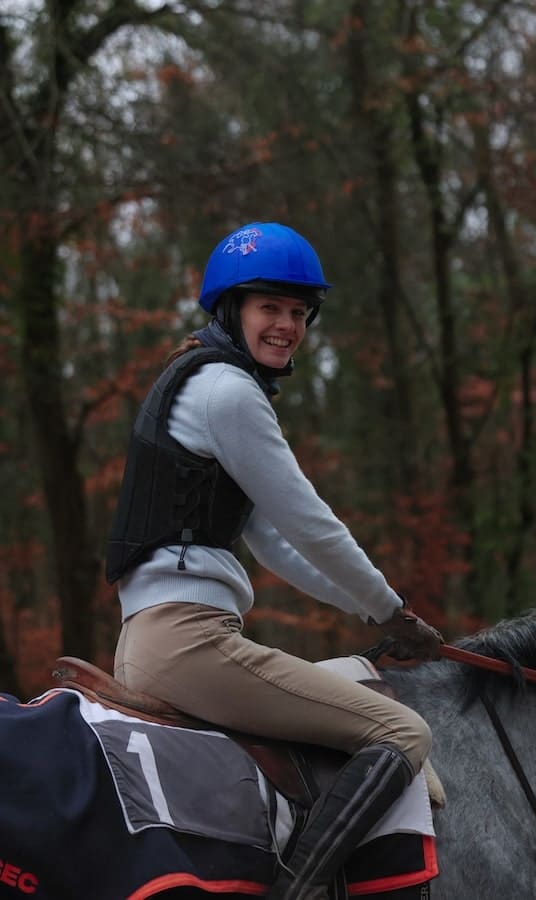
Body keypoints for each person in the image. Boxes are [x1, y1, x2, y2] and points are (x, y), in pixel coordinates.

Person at [106, 221, 442, 900]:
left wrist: (369, 609)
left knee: (356, 673)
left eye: (298, 313)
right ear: (233, 310)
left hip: (159, 639)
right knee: (403, 730)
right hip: (188, 643)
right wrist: (388, 608)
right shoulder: (229, 392)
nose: (287, 325)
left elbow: (275, 543)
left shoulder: (200, 384)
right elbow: (311, 523)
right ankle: (297, 889)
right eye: (270, 308)